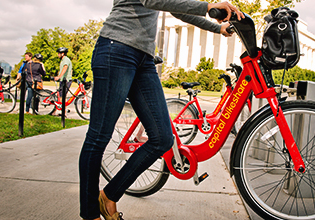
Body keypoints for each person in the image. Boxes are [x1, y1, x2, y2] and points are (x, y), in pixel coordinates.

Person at [79, 1, 244, 220]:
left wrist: (217, 27)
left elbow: (177, 8)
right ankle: (90, 214)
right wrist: (208, 6)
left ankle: (109, 195)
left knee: (162, 138)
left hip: (143, 58)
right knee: (98, 137)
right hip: (116, 49)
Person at [53, 47, 73, 115]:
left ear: (63, 53)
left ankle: (62, 111)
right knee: (61, 96)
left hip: (66, 80)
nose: (58, 55)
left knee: (62, 96)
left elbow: (65, 67)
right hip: (63, 80)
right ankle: (62, 111)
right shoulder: (63, 60)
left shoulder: (66, 60)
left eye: (59, 53)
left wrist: (59, 76)